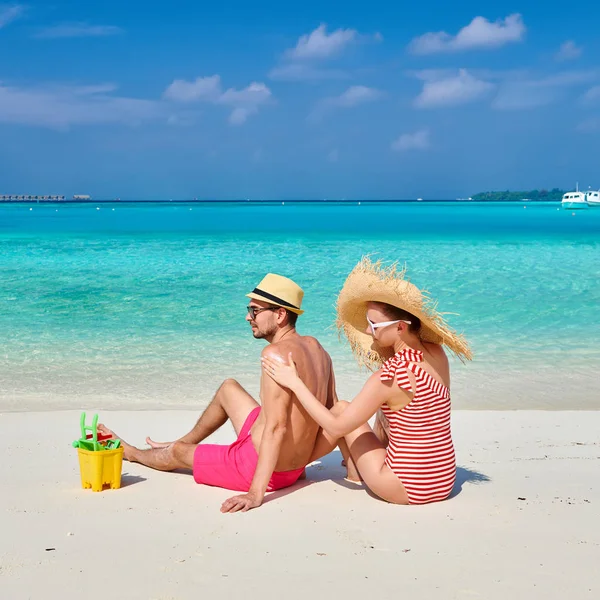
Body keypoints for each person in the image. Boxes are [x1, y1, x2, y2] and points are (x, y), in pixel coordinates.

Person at [99, 273, 336, 513]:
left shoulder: (273, 355)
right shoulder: (318, 350)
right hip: (280, 457)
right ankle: (186, 440)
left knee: (178, 454)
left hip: (261, 467)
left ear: (280, 314)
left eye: (254, 311)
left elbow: (277, 428)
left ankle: (133, 453)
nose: (248, 317)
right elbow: (331, 409)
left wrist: (255, 493)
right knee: (229, 388)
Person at [262, 257, 472, 505]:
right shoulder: (438, 354)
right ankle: (355, 467)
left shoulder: (388, 377)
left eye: (373, 325)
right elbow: (400, 411)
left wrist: (294, 382)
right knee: (388, 409)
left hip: (405, 486)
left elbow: (337, 427)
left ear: (401, 327)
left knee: (341, 410)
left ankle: (353, 472)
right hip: (444, 480)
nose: (367, 331)